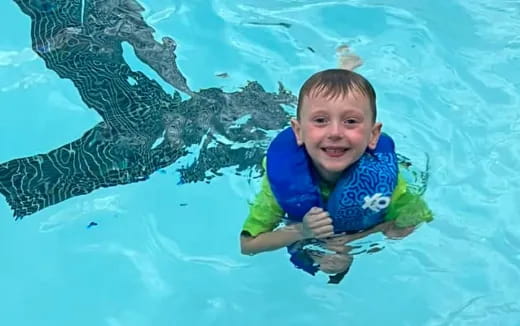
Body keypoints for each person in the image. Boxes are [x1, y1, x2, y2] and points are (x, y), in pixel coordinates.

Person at [240, 51, 433, 282]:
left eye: (351, 122)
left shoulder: (383, 178)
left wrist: (356, 240)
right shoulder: (280, 178)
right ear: (298, 132)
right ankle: (344, 71)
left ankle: (344, 73)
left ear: (373, 136)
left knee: (338, 99)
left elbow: (412, 220)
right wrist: (303, 231)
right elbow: (248, 245)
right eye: (320, 121)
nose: (335, 133)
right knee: (331, 98)